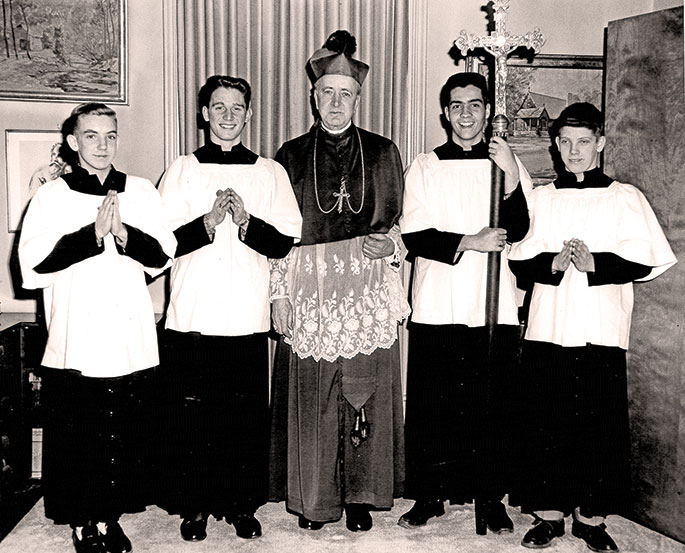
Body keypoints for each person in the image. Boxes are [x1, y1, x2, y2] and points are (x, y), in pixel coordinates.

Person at [508, 102, 677, 551]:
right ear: (556, 145)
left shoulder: (624, 197)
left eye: (584, 142)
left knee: (596, 426)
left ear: (600, 143)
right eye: (565, 142)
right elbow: (519, 262)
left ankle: (590, 518)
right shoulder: (541, 199)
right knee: (547, 421)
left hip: (601, 327)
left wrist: (595, 262)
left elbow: (647, 258)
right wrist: (554, 262)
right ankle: (547, 515)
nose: (574, 151)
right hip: (549, 325)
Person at [18, 103, 176, 553]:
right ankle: (84, 520)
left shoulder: (141, 191)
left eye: (109, 136)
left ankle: (111, 517)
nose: (102, 145)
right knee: (81, 432)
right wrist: (91, 235)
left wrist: (124, 236)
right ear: (73, 141)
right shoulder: (53, 196)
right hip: (79, 331)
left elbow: (164, 253)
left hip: (126, 331)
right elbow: (33, 265)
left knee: (122, 431)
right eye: (91, 136)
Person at [269, 29, 409, 532]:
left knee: (363, 391)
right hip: (311, 293)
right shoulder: (287, 156)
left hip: (365, 291)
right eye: (326, 93)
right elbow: (279, 238)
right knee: (316, 398)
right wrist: (279, 293)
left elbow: (401, 229)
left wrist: (391, 246)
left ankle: (359, 498)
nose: (335, 102)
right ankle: (316, 499)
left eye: (344, 94)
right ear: (313, 97)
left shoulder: (384, 152)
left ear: (357, 98)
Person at [156, 75, 301, 542]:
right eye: (218, 107)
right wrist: (208, 222)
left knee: (242, 418)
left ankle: (240, 504)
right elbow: (159, 246)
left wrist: (244, 222)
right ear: (204, 114)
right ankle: (195, 505)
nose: (227, 115)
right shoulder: (182, 170)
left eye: (237, 107)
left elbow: (283, 244)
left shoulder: (269, 172)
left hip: (245, 313)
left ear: (249, 114)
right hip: (194, 313)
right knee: (193, 417)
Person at [398, 72, 532, 534]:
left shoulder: (505, 164)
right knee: (435, 405)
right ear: (445, 114)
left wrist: (511, 176)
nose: (466, 115)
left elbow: (521, 229)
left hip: (492, 305)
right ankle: (430, 495)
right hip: (439, 301)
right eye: (457, 106)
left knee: (490, 406)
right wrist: (471, 240)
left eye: (475, 105)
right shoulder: (426, 165)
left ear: (488, 110)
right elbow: (415, 234)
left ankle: (488, 497)